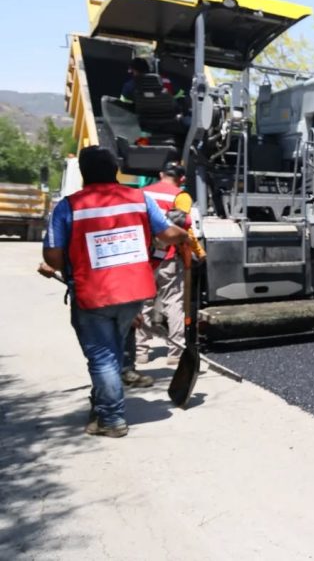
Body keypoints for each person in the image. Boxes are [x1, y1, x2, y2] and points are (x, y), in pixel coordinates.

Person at [41, 146, 187, 438]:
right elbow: (168, 233)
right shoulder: (138, 199)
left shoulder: (69, 206)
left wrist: (65, 261)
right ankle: (101, 406)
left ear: (84, 174)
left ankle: (111, 418)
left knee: (102, 357)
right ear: (115, 172)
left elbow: (53, 258)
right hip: (134, 294)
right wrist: (183, 235)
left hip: (93, 295)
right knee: (112, 351)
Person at [135, 160, 207, 368]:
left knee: (143, 304)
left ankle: (141, 352)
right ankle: (175, 353)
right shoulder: (181, 196)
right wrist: (199, 252)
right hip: (168, 258)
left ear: (161, 174)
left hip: (143, 258)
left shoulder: (141, 193)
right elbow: (185, 230)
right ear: (182, 179)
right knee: (173, 303)